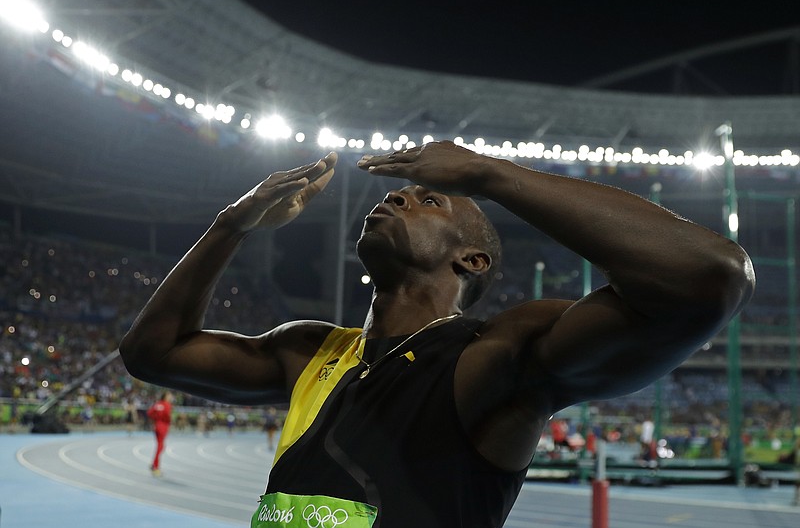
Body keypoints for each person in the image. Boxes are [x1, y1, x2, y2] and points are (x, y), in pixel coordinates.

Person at [120, 142, 754, 527]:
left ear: (471, 261)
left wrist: (487, 177)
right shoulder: (311, 351)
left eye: (428, 202)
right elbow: (153, 352)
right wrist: (230, 227)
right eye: (398, 195)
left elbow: (709, 275)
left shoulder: (495, 355)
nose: (397, 198)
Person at [147, 392, 173, 477]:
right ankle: (156, 467)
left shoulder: (157, 404)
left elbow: (149, 413)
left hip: (157, 426)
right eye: (169, 396)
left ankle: (154, 464)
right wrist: (168, 422)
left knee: (160, 446)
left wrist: (155, 420)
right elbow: (167, 415)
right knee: (160, 447)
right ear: (165, 396)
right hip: (163, 426)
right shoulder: (167, 405)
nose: (171, 397)